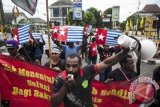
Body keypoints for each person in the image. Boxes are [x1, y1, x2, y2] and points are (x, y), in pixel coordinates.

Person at [51, 48, 129, 107]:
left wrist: (122, 53)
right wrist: (65, 86)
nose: (71, 69)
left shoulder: (87, 71)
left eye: (74, 66)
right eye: (68, 66)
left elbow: (106, 63)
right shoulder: (59, 78)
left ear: (80, 65)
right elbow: (54, 103)